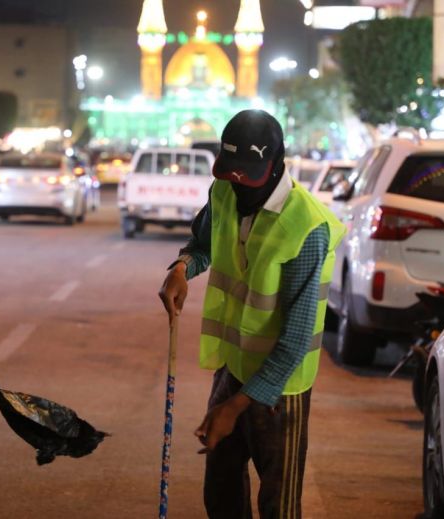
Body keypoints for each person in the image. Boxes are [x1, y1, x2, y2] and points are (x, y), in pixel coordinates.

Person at [159, 110, 345, 519]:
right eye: (231, 172)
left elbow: (295, 340)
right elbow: (202, 242)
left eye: (249, 174)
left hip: (282, 390)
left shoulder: (307, 228)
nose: (238, 183)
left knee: (278, 507)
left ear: (277, 164)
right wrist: (181, 268)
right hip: (233, 367)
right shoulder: (223, 191)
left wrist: (233, 408)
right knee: (221, 494)